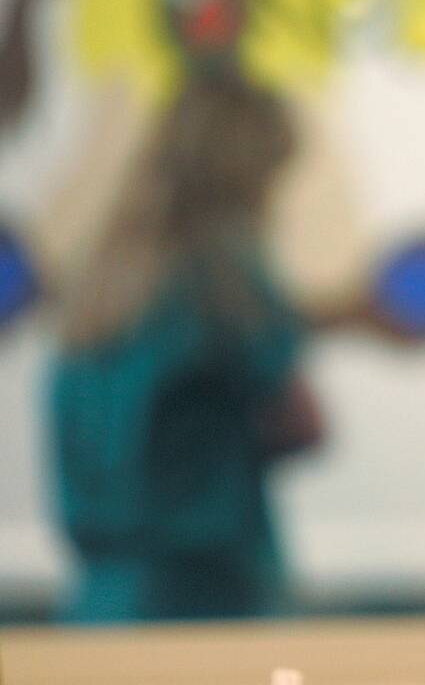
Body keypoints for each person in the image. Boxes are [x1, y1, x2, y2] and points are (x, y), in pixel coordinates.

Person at [49, 73, 318, 621]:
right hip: (209, 601)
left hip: (101, 603)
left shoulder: (98, 285)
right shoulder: (227, 283)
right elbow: (304, 423)